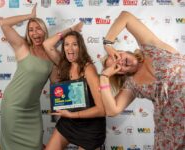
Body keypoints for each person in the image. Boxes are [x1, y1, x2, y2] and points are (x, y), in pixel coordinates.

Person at [100, 11, 185, 150]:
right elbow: (112, 110)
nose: (120, 62)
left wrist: (108, 44)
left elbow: (126, 16)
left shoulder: (152, 48)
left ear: (125, 51)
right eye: (116, 67)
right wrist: (104, 78)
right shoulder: (132, 84)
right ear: (120, 73)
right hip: (174, 133)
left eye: (117, 56)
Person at [0, 4, 57, 150]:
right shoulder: (22, 46)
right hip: (13, 106)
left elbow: (56, 85)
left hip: (32, 109)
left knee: (35, 145)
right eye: (30, 30)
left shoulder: (52, 55)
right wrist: (29, 17)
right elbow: (4, 24)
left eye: (38, 28)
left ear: (44, 30)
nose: (34, 33)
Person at [43, 24, 106, 150]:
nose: (70, 48)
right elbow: (47, 45)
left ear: (81, 47)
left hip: (90, 127)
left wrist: (72, 115)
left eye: (74, 44)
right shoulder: (63, 63)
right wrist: (71, 30)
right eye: (66, 44)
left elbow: (102, 110)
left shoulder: (88, 69)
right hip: (69, 123)